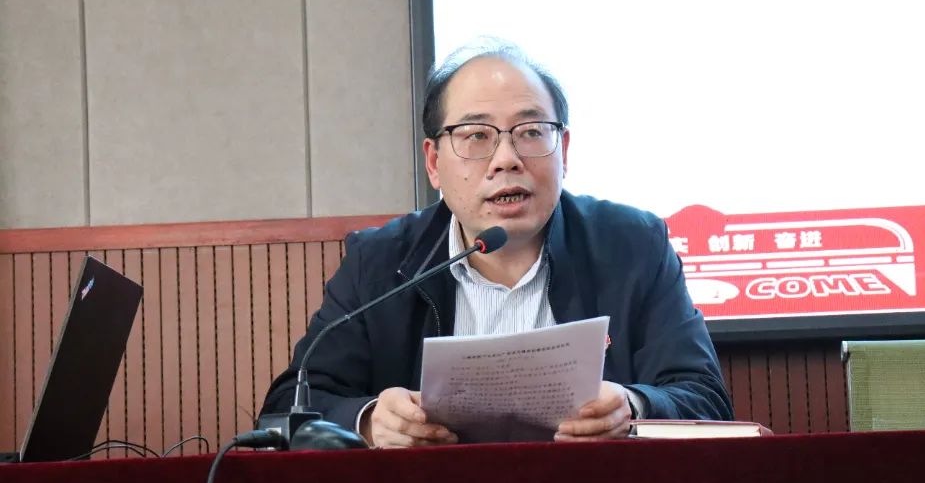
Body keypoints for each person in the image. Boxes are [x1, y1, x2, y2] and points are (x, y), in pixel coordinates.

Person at [260, 41, 732, 447]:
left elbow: (706, 399)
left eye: (531, 132)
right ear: (433, 162)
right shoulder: (380, 263)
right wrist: (368, 420)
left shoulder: (632, 246)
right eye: (476, 136)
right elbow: (287, 408)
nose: (506, 159)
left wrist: (632, 406)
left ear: (564, 151)